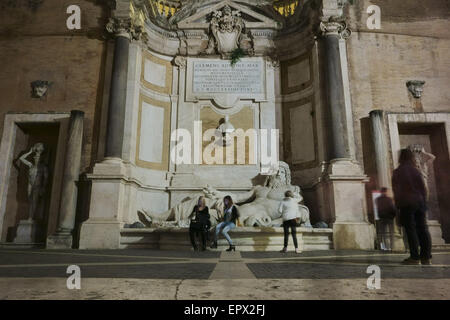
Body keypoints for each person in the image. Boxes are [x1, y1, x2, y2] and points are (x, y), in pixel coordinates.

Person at [392, 148, 432, 265]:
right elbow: (423, 188)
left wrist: (397, 208)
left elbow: (397, 191)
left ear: (401, 158)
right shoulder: (416, 171)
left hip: (407, 203)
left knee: (411, 229)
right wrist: (424, 203)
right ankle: (426, 257)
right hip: (419, 202)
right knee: (423, 229)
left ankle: (414, 257)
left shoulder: (398, 171)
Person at [376, 187, 396, 252]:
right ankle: (392, 248)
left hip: (382, 218)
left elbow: (378, 208)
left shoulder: (377, 199)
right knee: (391, 233)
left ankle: (384, 248)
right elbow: (392, 208)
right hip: (389, 218)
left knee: (382, 234)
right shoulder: (389, 199)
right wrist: (393, 215)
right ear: (386, 192)